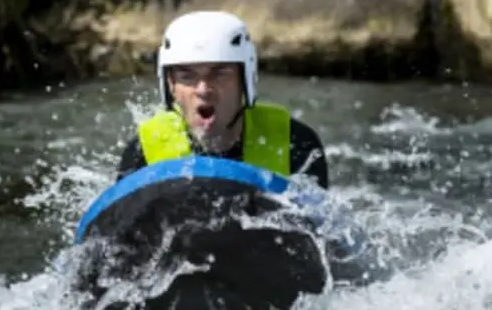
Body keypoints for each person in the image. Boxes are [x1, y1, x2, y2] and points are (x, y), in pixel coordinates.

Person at [115, 10, 330, 189]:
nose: (203, 89)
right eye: (187, 76)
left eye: (219, 73)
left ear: (244, 81)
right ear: (171, 85)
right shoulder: (142, 154)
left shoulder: (296, 144)